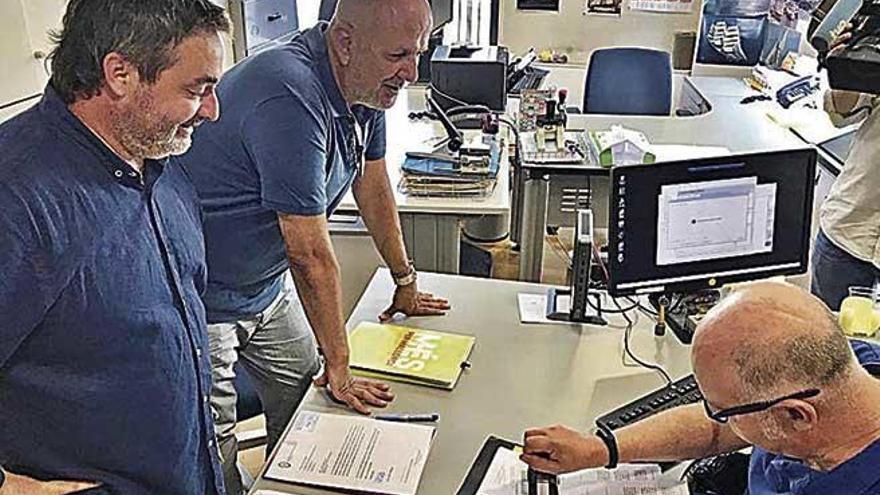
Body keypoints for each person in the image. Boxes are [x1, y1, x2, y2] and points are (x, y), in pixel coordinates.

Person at [177, 0, 450, 492]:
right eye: (398, 55)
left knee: (309, 400)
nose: (410, 72)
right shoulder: (290, 90)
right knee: (213, 455)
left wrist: (405, 280)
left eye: (418, 52)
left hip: (265, 284)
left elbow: (373, 185)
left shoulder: (367, 84)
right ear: (344, 43)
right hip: (204, 298)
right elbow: (308, 252)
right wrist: (340, 363)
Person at [0, 1, 230, 494]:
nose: (212, 110)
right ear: (120, 74)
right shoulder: (15, 195)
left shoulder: (158, 158)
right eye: (197, 89)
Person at [522, 282, 880, 494]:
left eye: (721, 408)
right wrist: (601, 449)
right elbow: (718, 428)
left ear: (795, 416)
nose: (714, 417)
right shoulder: (849, 363)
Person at [811, 30, 880, 310]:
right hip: (849, 228)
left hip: (852, 227)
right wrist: (844, 65)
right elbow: (840, 111)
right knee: (821, 344)